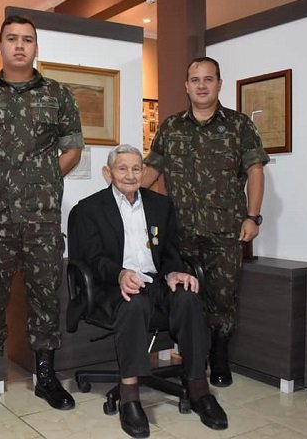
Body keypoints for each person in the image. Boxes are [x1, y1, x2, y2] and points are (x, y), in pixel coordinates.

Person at [0, 14, 84, 421]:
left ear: (36, 47)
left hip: (42, 220)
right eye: (12, 39)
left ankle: (46, 377)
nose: (20, 45)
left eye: (27, 39)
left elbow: (72, 150)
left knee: (46, 297)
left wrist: (42, 182)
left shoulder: (58, 95)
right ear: (0, 46)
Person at [69, 145, 228, 437]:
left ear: (144, 172)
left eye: (136, 168)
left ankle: (198, 388)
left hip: (155, 282)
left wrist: (174, 271)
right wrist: (120, 274)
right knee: (134, 303)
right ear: (108, 173)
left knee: (188, 298)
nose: (130, 175)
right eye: (122, 169)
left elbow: (169, 252)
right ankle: (129, 395)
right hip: (112, 285)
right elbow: (91, 259)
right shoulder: (89, 209)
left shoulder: (160, 205)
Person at [142, 57, 269, 388]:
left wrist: (253, 216)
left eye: (208, 79)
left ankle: (220, 356)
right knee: (186, 296)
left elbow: (256, 170)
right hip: (180, 231)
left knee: (223, 298)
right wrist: (127, 197)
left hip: (226, 231)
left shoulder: (239, 125)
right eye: (195, 80)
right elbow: (152, 169)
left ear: (219, 84)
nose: (201, 85)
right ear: (186, 86)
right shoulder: (171, 127)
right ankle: (193, 357)